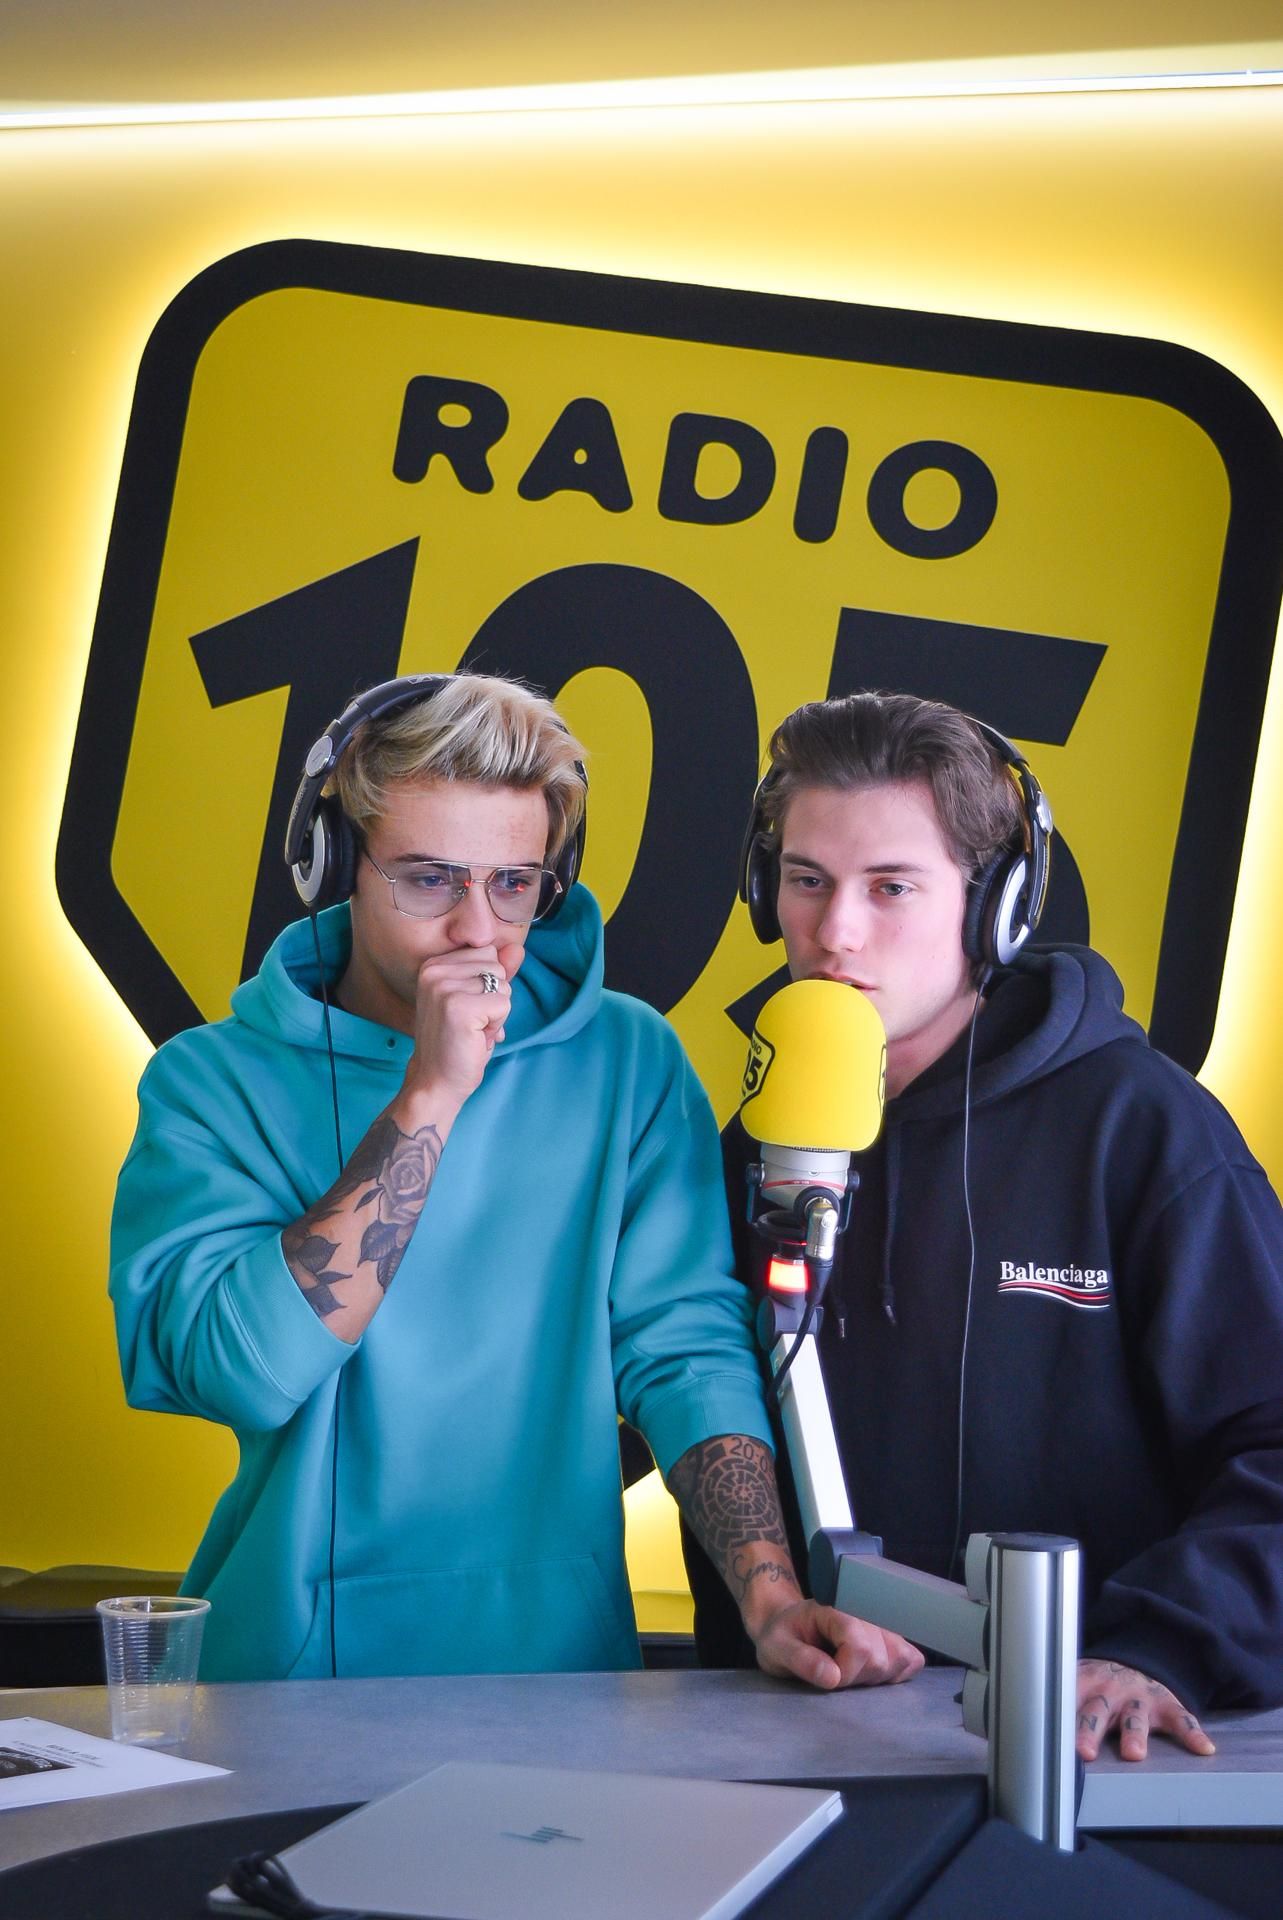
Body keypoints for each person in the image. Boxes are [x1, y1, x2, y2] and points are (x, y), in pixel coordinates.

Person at [110, 671, 922, 1691]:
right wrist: (430, 1096)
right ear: (334, 865)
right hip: (279, 1681)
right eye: (427, 880)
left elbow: (685, 1349)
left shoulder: (630, 1062)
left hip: (560, 1682)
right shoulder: (207, 1082)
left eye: (513, 884)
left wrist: (767, 1596)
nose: (476, 929)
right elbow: (240, 1373)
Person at [684, 688, 1283, 1762]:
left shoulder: (1141, 1131)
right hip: (786, 1739)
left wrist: (1158, 1649)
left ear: (992, 908)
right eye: (807, 881)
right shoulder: (760, 1140)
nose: (834, 933)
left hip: (1082, 1751)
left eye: (890, 887)